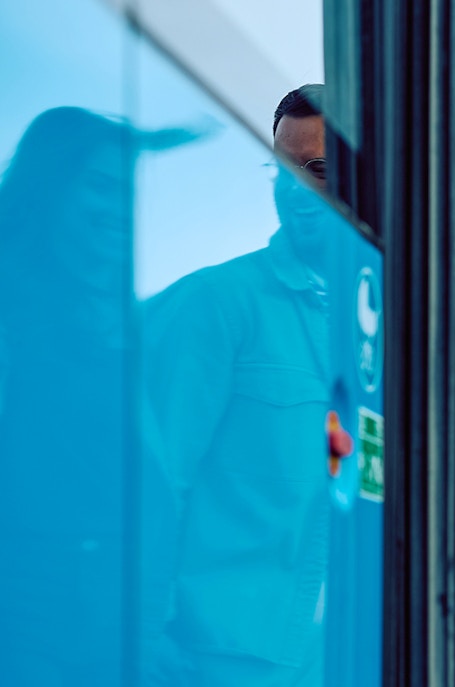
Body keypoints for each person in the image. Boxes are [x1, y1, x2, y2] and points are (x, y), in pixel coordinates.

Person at [141, 84, 351, 686]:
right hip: (223, 657)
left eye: (319, 168)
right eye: (283, 168)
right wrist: (150, 637)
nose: (297, 189)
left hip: (352, 649)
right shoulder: (213, 305)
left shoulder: (385, 323)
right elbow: (152, 486)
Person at [0, 106, 205, 685]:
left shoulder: (128, 327)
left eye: (126, 194)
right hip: (26, 618)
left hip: (114, 619)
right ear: (51, 190)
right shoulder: (11, 308)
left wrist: (149, 632)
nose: (118, 210)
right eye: (99, 187)